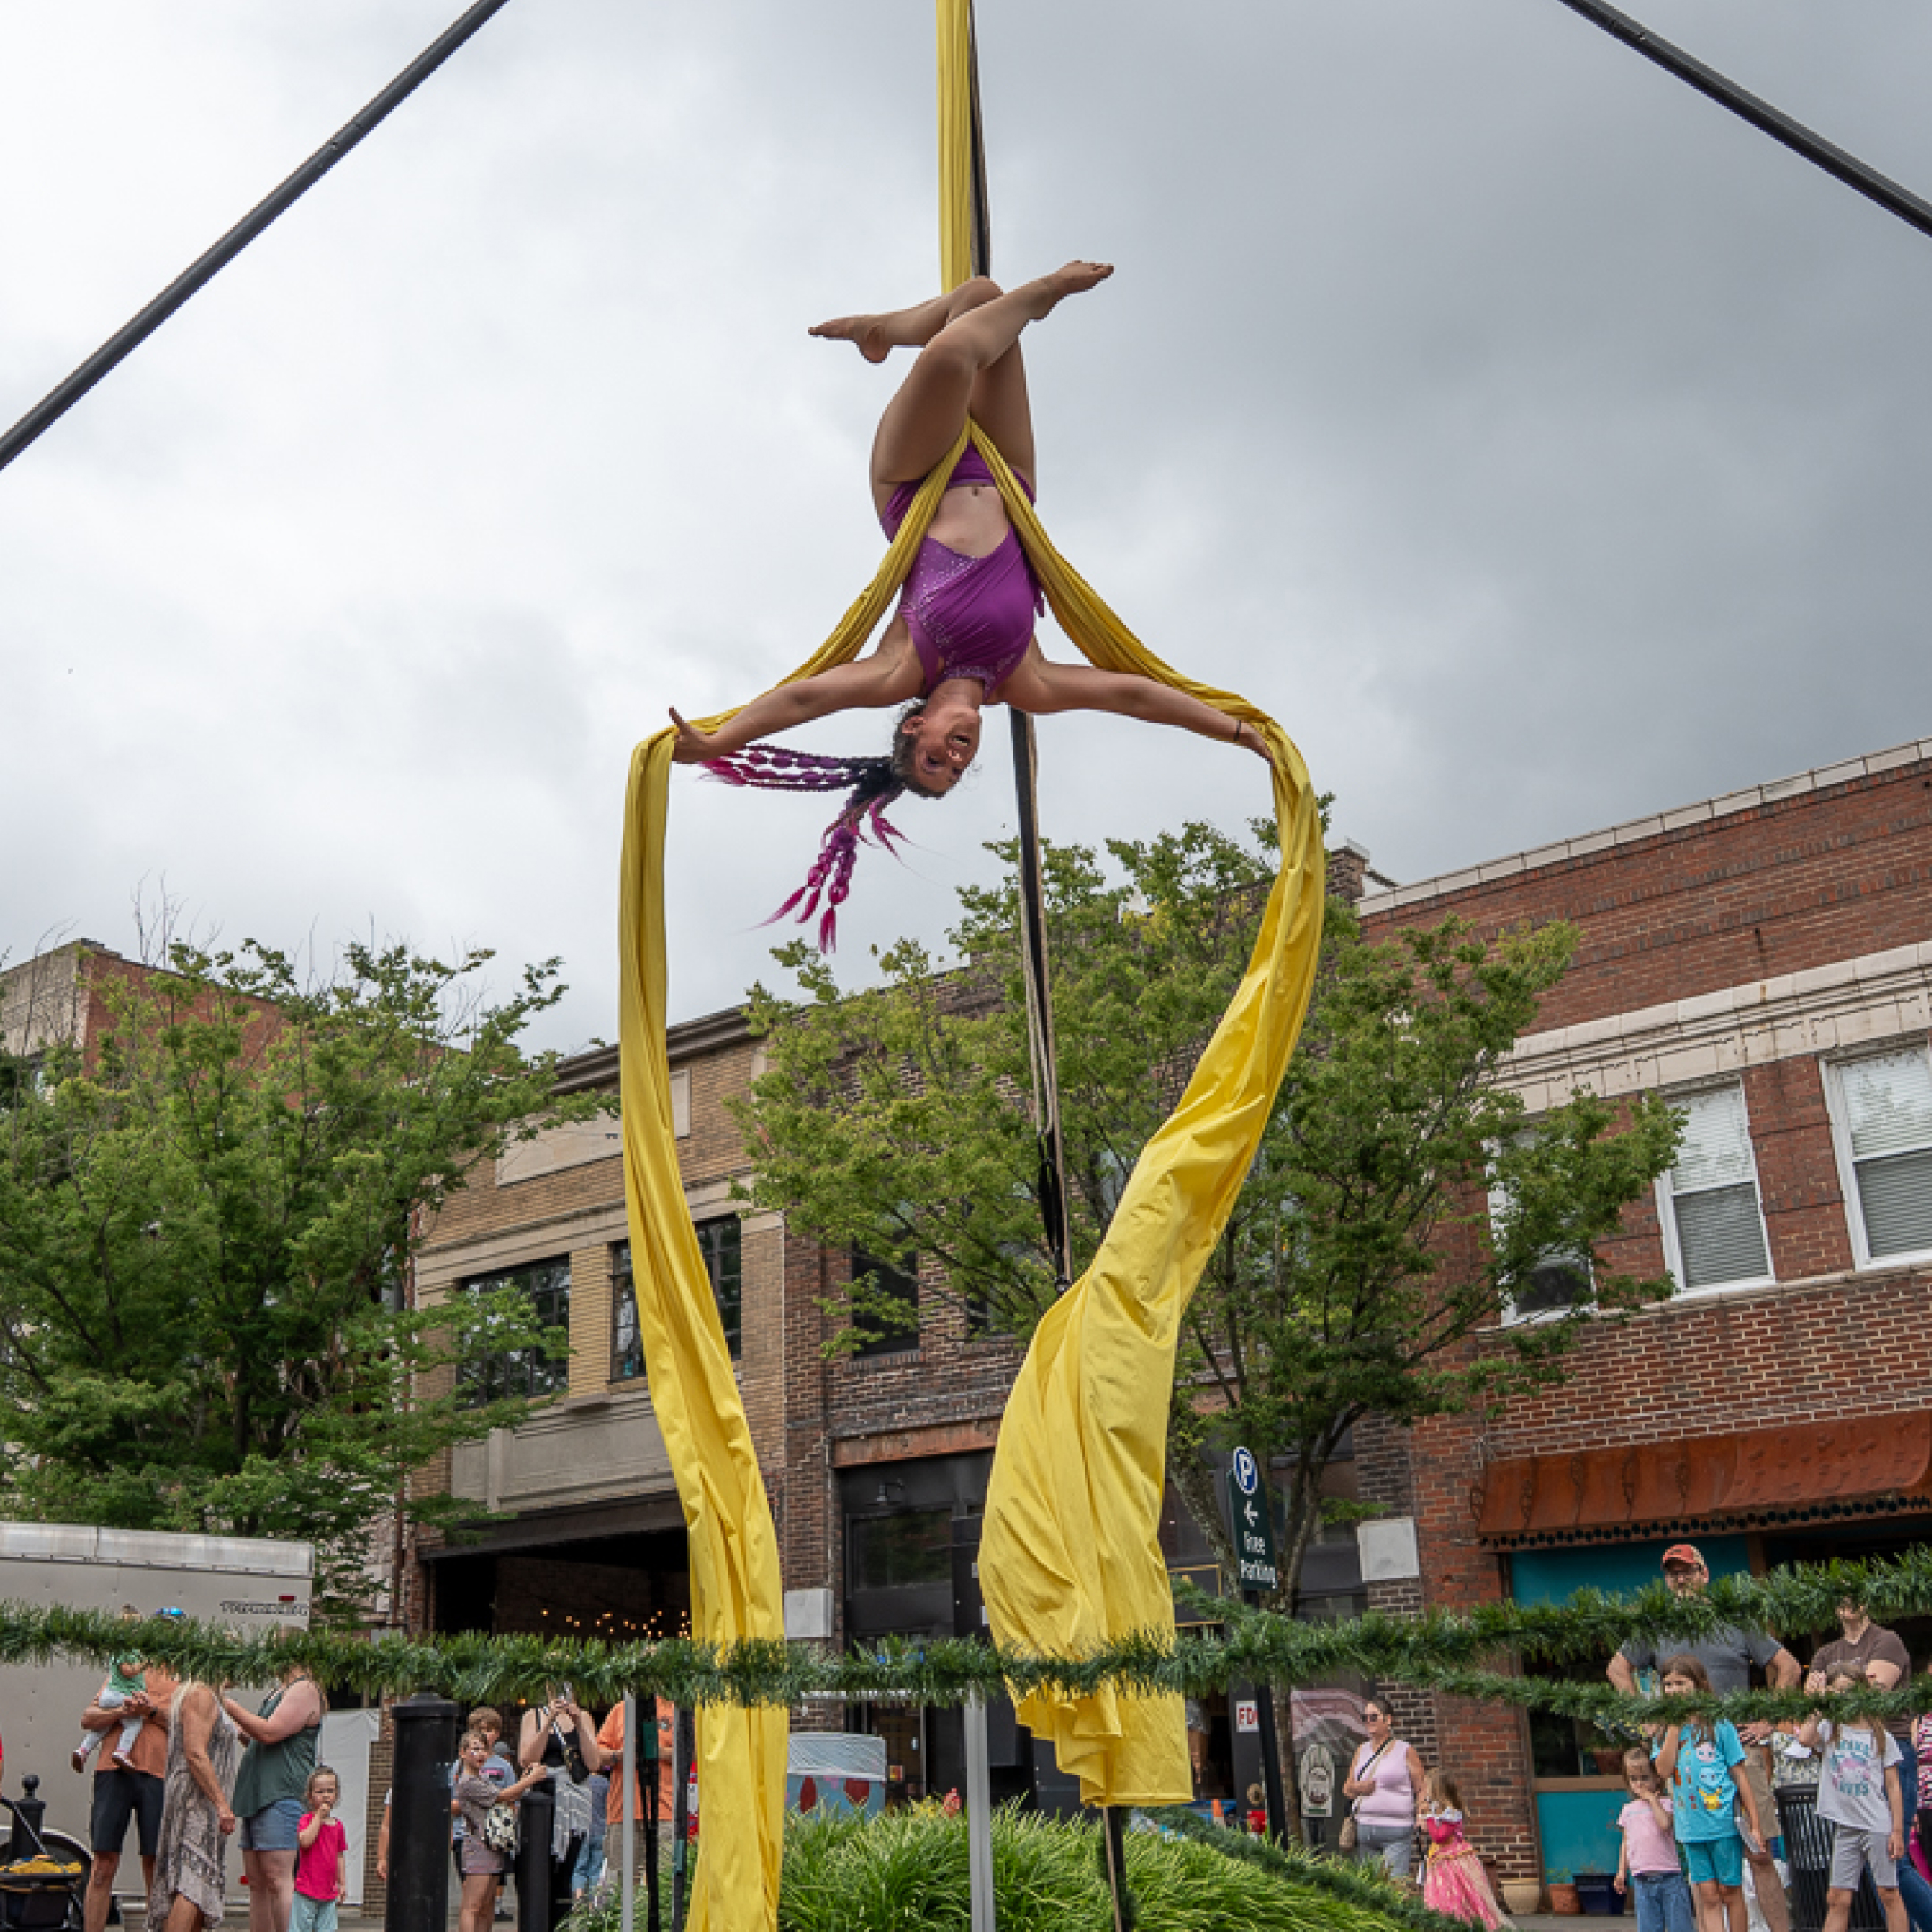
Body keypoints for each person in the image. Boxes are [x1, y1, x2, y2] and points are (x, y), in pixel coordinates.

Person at [668, 265, 1270, 948]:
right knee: (981, 300)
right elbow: (1132, 695)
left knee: (957, 350)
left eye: (935, 762)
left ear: (913, 728)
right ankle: (886, 330)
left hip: (915, 478)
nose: (955, 760)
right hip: (1008, 479)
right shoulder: (1024, 679)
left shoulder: (901, 668)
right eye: (957, 772)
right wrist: (1231, 729)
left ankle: (1027, 300)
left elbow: (804, 700)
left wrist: (719, 743)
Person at [1611, 1544, 1798, 1932]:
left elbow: (1789, 1667)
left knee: (1759, 1852)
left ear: (1704, 1574)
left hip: (1736, 1749)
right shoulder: (1656, 1624)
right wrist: (1646, 1718)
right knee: (1702, 1866)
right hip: (1684, 1755)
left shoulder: (1733, 1619)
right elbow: (1618, 1669)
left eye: (1688, 1571)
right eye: (1673, 1573)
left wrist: (1768, 1720)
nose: (1681, 1579)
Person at [1654, 1653, 1767, 1932]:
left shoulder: (1719, 1725)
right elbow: (1663, 1770)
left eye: (1681, 1683)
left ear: (1699, 1684)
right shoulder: (1663, 1731)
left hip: (1723, 1824)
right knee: (1707, 1895)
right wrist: (1672, 1729)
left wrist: (1755, 1824)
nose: (1674, 1690)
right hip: (1691, 1827)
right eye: (1668, 1684)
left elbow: (1740, 1775)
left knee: (1730, 1892)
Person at [79, 1632, 179, 1932]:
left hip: (157, 1774)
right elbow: (88, 1717)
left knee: (154, 1863)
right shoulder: (127, 1668)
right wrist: (122, 1710)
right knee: (102, 1863)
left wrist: (149, 1711)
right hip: (113, 1770)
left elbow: (185, 1724)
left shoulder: (183, 1677)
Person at [1798, 1661, 1908, 1932]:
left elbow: (1893, 1786)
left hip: (1875, 1823)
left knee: (1888, 1892)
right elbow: (1805, 1739)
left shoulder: (1880, 1736)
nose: (1844, 1698)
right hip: (1846, 1825)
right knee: (1837, 1897)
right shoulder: (1830, 1728)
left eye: (1849, 1691)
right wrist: (1817, 1704)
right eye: (1838, 1692)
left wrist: (1896, 1830)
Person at [224, 1655, 325, 1932]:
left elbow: (269, 1732)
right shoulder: (278, 1691)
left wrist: (225, 1702)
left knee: (278, 1878)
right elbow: (260, 1738)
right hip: (258, 1794)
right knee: (258, 1882)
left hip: (281, 1794)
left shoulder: (304, 1688)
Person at [146, 1677, 240, 1932]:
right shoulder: (201, 1695)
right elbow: (196, 1752)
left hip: (201, 1797)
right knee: (191, 1880)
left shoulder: (207, 1697)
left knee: (199, 1880)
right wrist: (221, 1804)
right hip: (196, 1798)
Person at [516, 1683, 604, 1922]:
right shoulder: (532, 1716)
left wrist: (579, 1724)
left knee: (568, 1869)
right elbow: (527, 1758)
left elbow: (594, 1763)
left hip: (575, 1802)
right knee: (540, 1870)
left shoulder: (583, 1716)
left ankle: (561, 1923)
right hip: (544, 1799)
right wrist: (549, 1721)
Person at [453, 1727, 550, 1932]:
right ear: (462, 1752)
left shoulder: (481, 1779)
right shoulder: (468, 1782)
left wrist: (524, 1778)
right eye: (475, 1749)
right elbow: (502, 1796)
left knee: (486, 1906)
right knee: (472, 1905)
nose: (480, 1754)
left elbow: (506, 1795)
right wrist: (530, 1780)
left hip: (493, 1846)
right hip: (477, 1848)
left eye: (483, 1750)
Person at [1615, 1745, 1697, 1932]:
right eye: (1633, 1779)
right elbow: (1626, 1842)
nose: (1639, 1784)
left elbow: (1665, 1825)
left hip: (1670, 1878)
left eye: (1644, 1778)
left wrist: (1653, 1800)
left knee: (1680, 1926)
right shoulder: (1628, 1810)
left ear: (1657, 1777)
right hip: (1642, 1880)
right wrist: (1621, 1871)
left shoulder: (1666, 1804)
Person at [1343, 1694, 1425, 1879]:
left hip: (1396, 1828)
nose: (1369, 1721)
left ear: (1388, 1720)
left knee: (1395, 1884)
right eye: (1365, 1718)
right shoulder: (1361, 1750)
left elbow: (1421, 1787)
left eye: (1374, 1716)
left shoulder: (1405, 1750)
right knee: (1369, 1886)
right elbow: (1347, 1789)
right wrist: (1360, 1788)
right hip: (1365, 1828)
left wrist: (1421, 1815)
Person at [596, 1698, 676, 1883]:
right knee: (621, 1882)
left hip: (665, 1811)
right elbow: (597, 1753)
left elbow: (691, 1752)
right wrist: (620, 1755)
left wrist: (657, 1751)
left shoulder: (674, 1709)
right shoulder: (621, 1709)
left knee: (663, 1882)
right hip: (623, 1811)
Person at [1419, 1770, 1512, 1928]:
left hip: (1453, 1860)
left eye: (1427, 1787)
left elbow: (1440, 1837)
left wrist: (1428, 1820)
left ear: (1437, 1790)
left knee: (1460, 1894)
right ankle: (1445, 1924)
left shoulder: (1451, 1813)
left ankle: (1467, 1924)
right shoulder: (1437, 1810)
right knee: (1442, 1896)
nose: (1424, 1791)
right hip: (1440, 1858)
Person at [72, 1618, 148, 1775]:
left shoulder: (126, 1650)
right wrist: (144, 1663)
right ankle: (122, 1751)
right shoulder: (123, 1650)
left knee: (103, 1726)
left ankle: (83, 1750)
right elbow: (128, 1670)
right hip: (120, 1694)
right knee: (134, 1724)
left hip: (111, 1695)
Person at [292, 1767, 347, 1932]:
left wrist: (342, 1883)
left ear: (336, 1795)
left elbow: (339, 1856)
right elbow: (305, 1841)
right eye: (319, 1792)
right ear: (310, 1797)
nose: (325, 1796)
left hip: (328, 1891)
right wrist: (318, 1817)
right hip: (306, 1890)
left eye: (330, 1791)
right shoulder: (307, 1820)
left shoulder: (338, 1826)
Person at [572, 1769, 610, 1905]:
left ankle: (578, 1899)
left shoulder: (579, 1782)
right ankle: (594, 1904)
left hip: (582, 1829)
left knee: (579, 1868)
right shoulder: (606, 1784)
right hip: (600, 1829)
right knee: (596, 1869)